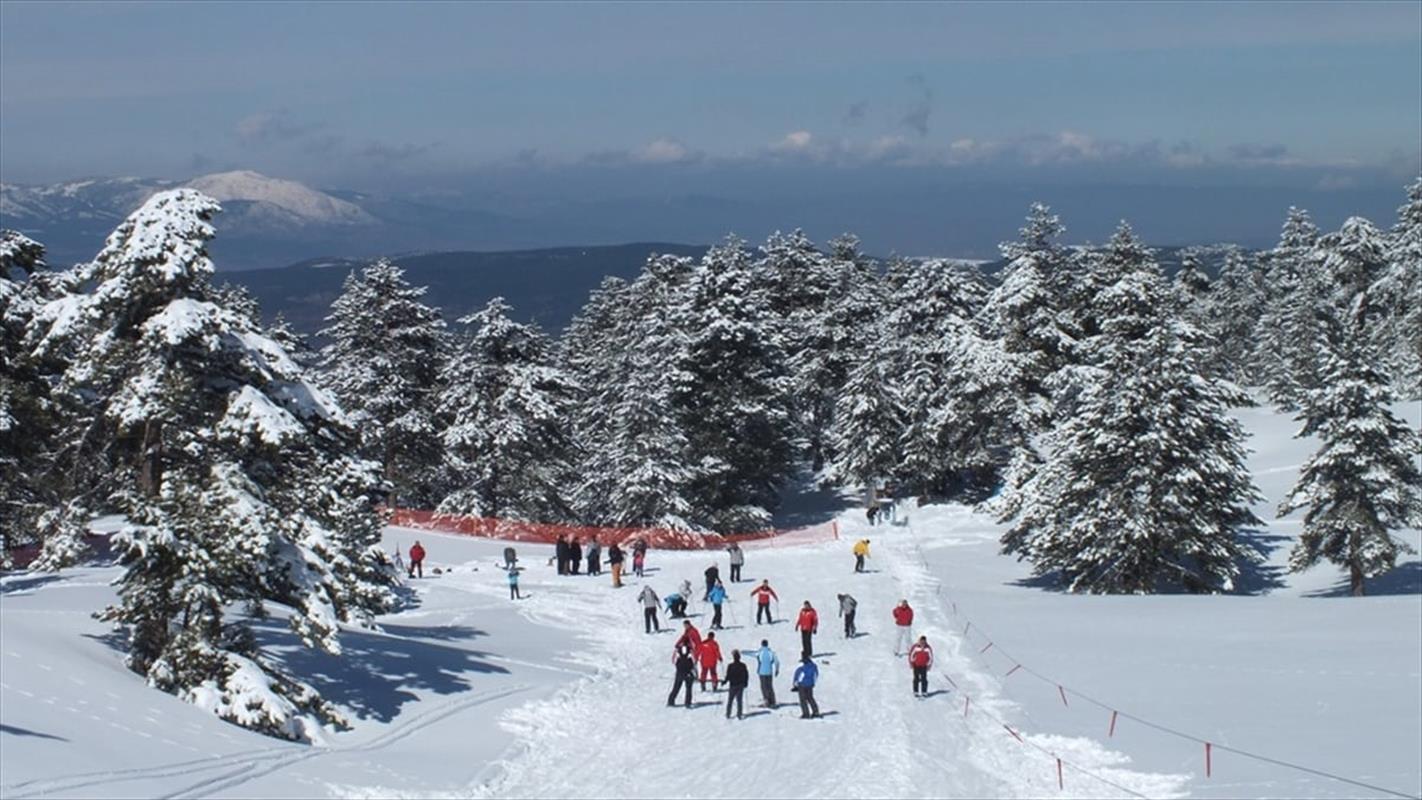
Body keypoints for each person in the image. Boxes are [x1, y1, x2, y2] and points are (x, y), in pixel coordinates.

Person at [792, 654, 822, 719]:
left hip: (802, 685)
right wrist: (813, 683)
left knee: (803, 700)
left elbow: (799, 677)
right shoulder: (814, 667)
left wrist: (795, 684)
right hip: (810, 685)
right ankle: (815, 711)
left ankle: (806, 714)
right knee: (810, 698)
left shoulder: (802, 669)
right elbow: (816, 675)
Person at [723, 649, 749, 719]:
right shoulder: (743, 665)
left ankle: (728, 714)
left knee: (730, 700)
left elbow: (728, 676)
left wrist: (724, 682)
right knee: (739, 700)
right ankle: (739, 714)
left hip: (733, 685)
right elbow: (746, 675)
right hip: (740, 685)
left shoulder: (730, 666)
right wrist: (746, 683)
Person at [753, 639, 779, 708]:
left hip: (762, 672)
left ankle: (766, 701)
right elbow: (777, 661)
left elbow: (753, 654)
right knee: (770, 686)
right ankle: (773, 701)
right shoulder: (771, 652)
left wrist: (742, 652)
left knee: (764, 687)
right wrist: (777, 670)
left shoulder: (760, 652)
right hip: (769, 672)